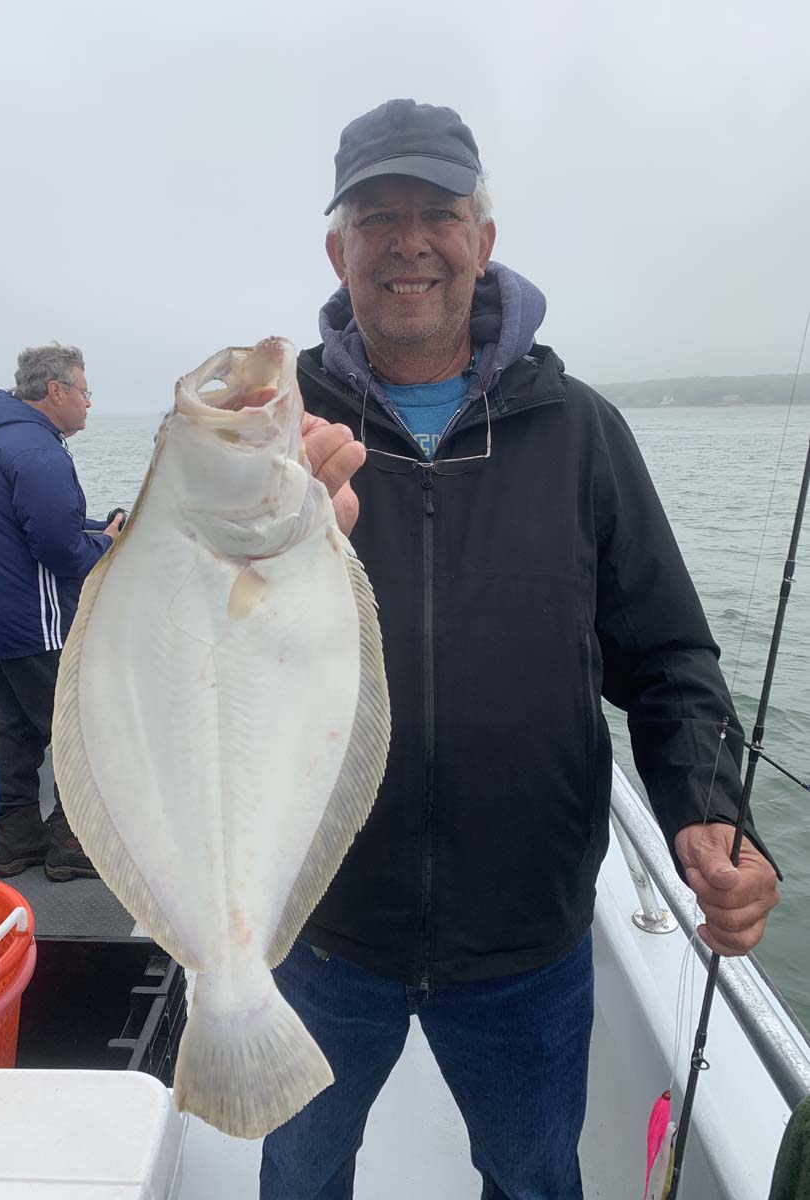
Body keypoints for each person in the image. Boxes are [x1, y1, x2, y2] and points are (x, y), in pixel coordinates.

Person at [258, 99, 783, 1199]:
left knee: (534, 1175)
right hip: (322, 920)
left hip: (527, 937)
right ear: (337, 249)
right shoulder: (271, 431)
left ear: (483, 240)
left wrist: (705, 807)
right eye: (378, 216)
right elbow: (178, 622)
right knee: (300, 1173)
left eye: (439, 213)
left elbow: (672, 659)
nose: (410, 242)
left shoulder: (581, 430)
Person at [0, 343, 123, 882]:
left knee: (18, 731)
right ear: (56, 391)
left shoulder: (5, 440)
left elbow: (37, 525)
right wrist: (111, 542)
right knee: (82, 730)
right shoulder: (40, 451)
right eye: (85, 392)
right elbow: (61, 552)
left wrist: (96, 527)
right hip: (38, 623)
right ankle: (72, 844)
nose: (89, 404)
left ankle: (17, 842)